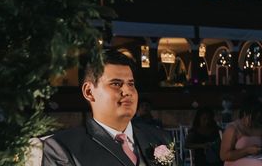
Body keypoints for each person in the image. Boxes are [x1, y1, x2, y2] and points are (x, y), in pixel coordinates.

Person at [42, 50, 173, 166]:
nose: (127, 91)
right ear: (89, 92)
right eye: (116, 84)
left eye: (131, 84)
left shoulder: (160, 138)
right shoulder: (64, 146)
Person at [220, 97, 262, 166]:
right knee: (261, 164)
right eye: (253, 117)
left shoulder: (259, 127)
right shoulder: (233, 129)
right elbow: (224, 156)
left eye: (257, 118)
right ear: (245, 114)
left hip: (257, 158)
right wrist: (247, 151)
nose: (255, 121)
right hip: (235, 161)